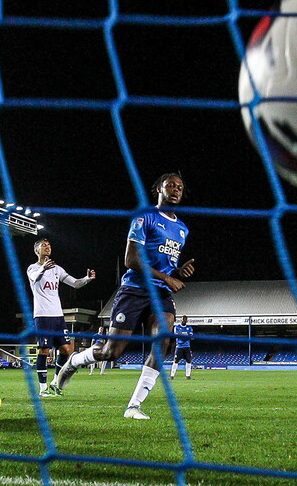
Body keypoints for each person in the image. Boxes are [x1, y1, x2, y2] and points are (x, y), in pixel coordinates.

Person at [53, 173, 195, 420]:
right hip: (135, 289)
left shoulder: (182, 229)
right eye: (170, 185)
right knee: (112, 352)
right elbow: (131, 260)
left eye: (180, 187)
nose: (176, 189)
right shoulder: (145, 217)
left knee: (164, 339)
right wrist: (167, 277)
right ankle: (75, 360)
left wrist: (177, 271)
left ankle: (134, 406)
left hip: (159, 293)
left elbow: (166, 264)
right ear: (158, 190)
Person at [26, 239, 94, 396]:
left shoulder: (57, 269)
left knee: (66, 350)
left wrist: (87, 279)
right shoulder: (33, 268)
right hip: (43, 316)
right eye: (43, 246)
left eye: (49, 245)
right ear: (36, 251)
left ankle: (55, 382)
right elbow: (35, 277)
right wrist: (43, 267)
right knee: (44, 351)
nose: (47, 247)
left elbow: (75, 283)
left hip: (58, 316)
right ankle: (43, 389)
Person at [169, 315, 193, 380]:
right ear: (181, 320)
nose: (184, 321)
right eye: (183, 319)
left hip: (187, 347)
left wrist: (182, 334)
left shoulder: (189, 328)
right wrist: (186, 335)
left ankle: (188, 376)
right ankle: (172, 375)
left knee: (189, 361)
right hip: (179, 346)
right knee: (176, 361)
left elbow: (191, 337)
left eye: (185, 320)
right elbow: (177, 335)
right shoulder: (177, 327)